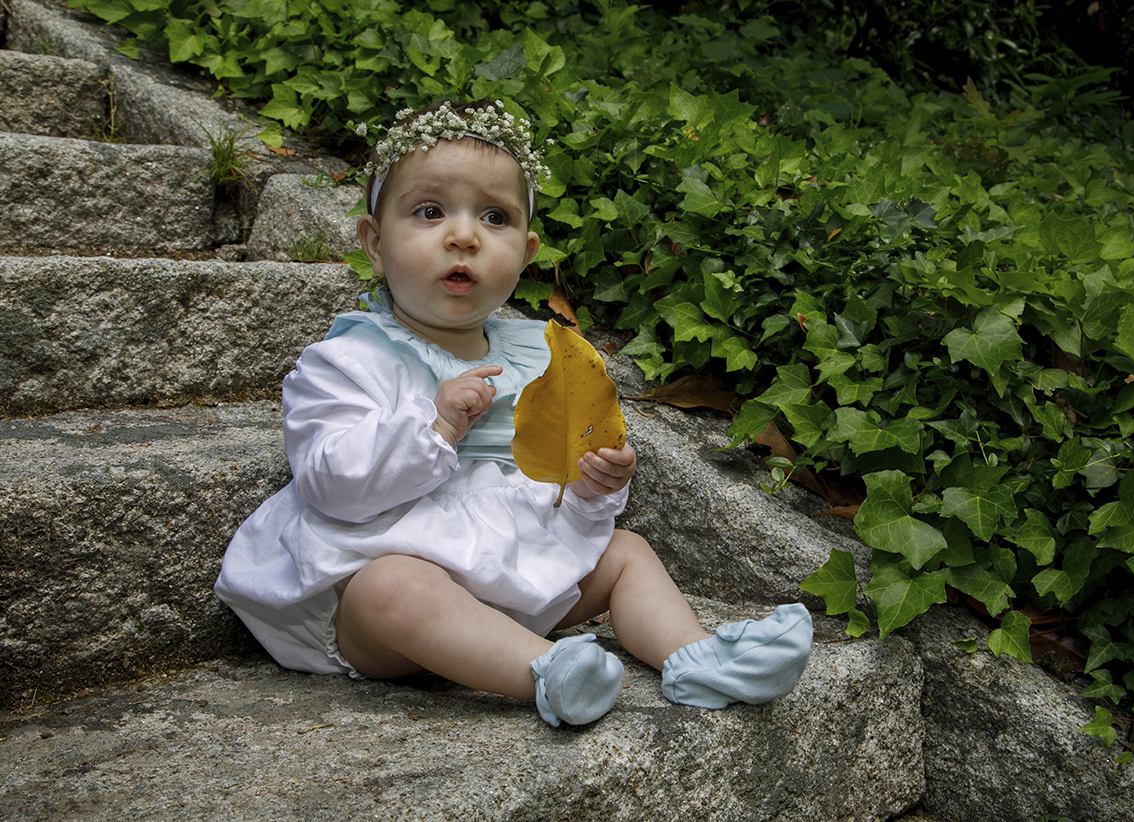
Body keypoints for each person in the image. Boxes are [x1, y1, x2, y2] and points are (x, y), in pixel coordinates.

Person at [215, 100, 812, 727]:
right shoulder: (347, 360)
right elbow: (328, 482)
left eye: (494, 217)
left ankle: (693, 658)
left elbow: (554, 483)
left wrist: (593, 485)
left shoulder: (540, 353)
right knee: (391, 587)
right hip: (391, 605)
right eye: (428, 211)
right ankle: (547, 675)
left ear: (525, 254)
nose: (464, 234)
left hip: (517, 574)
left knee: (627, 551)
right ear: (374, 244)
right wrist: (435, 427)